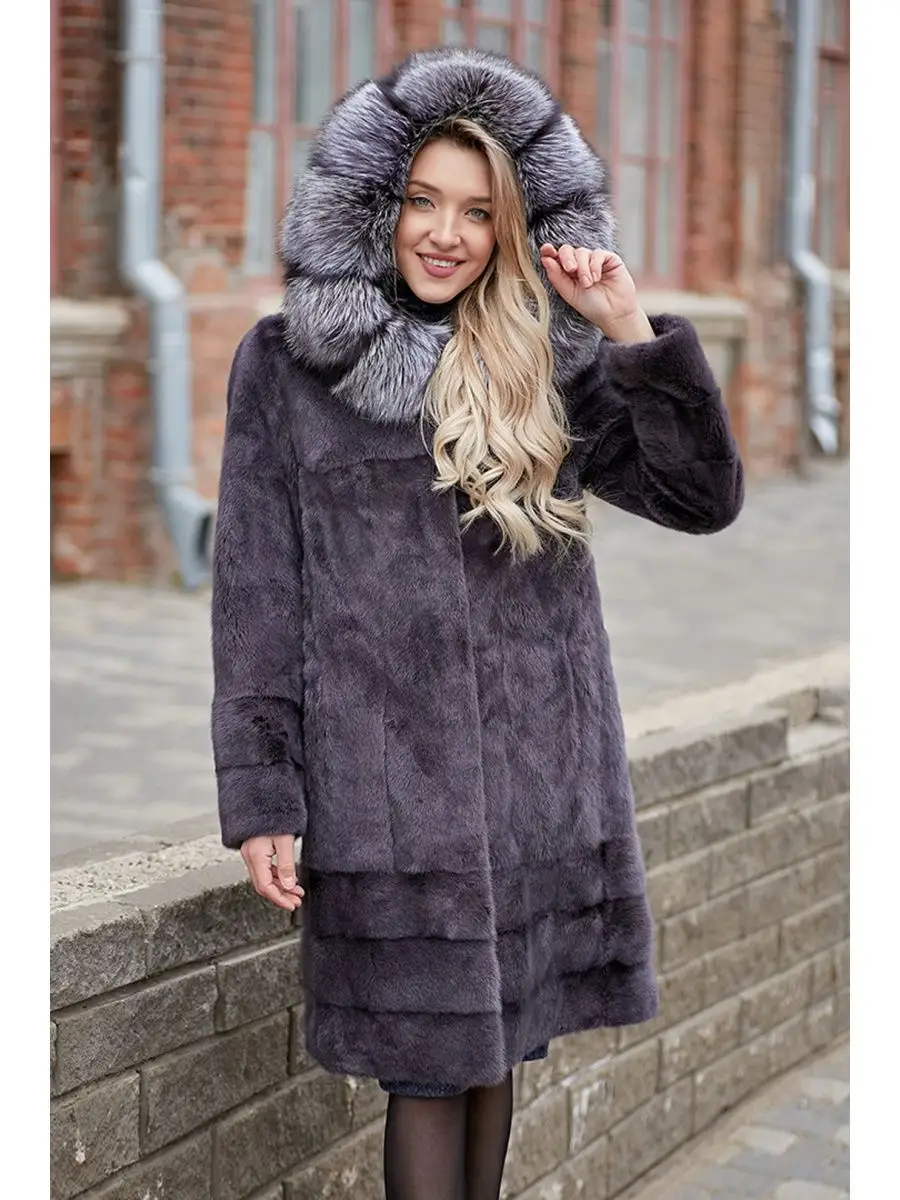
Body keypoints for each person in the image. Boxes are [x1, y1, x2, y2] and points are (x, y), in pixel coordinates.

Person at [211, 46, 744, 1200]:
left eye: (477, 210)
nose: (445, 234)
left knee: (497, 1053)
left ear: (512, 226)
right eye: (422, 201)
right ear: (373, 205)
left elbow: (702, 500)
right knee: (426, 1076)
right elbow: (255, 592)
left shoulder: (551, 360)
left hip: (537, 786)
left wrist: (628, 326)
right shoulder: (287, 365)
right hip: (385, 796)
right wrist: (262, 796)